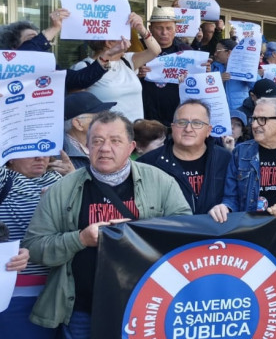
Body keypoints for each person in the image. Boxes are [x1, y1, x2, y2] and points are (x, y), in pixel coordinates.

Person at [23, 111, 190, 336]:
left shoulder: (161, 182)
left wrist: (135, 232)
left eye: (115, 141)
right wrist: (80, 239)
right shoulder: (62, 189)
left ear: (131, 147)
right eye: (97, 141)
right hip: (82, 309)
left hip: (146, 307)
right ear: (87, 146)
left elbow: (186, 234)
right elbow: (34, 247)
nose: (104, 148)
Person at [209, 97, 276, 221]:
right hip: (251, 230)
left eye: (262, 119)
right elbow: (231, 198)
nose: (254, 124)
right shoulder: (241, 152)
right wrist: (224, 208)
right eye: (253, 119)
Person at [0, 154, 62, 338]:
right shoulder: (5, 178)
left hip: (54, 292)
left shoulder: (58, 178)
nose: (39, 157)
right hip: (14, 293)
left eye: (45, 149)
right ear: (9, 156)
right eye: (28, 151)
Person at [137, 100, 232, 214]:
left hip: (216, 229)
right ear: (172, 127)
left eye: (197, 123)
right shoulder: (148, 163)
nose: (188, 129)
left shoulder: (226, 160)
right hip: (169, 230)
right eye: (182, 122)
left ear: (208, 131)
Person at [0, 9, 121, 91]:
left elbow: (79, 80)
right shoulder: (6, 68)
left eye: (37, 38)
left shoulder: (47, 68)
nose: (40, 43)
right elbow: (25, 54)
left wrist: (106, 56)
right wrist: (54, 28)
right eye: (31, 40)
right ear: (13, 49)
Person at [71, 13, 160, 120]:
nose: (129, 40)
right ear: (109, 43)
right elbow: (77, 109)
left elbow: (155, 50)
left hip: (136, 133)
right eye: (122, 35)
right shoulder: (84, 67)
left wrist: (142, 29)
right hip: (110, 134)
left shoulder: (127, 60)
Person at [139, 7, 194, 125]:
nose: (164, 32)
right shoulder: (138, 49)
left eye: (168, 28)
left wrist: (202, 71)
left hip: (176, 115)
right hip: (144, 114)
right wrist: (136, 73)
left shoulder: (187, 51)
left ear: (176, 29)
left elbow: (196, 84)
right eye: (159, 28)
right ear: (150, 29)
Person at [62, 92, 117, 169]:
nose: (106, 120)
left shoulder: (103, 145)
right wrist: (73, 175)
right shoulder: (61, 157)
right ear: (78, 124)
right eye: (99, 116)